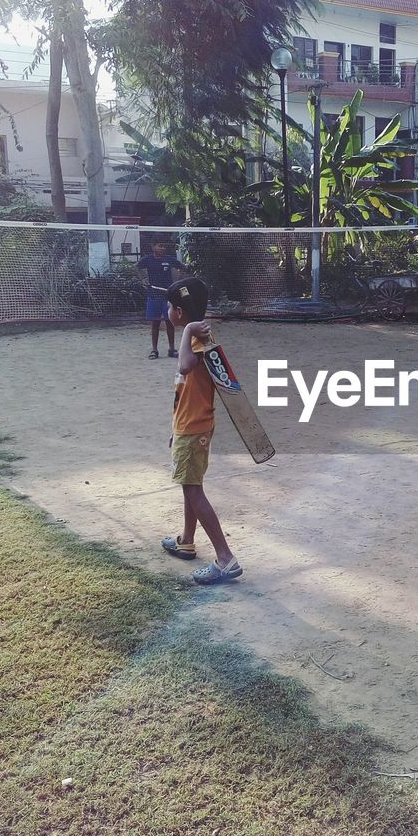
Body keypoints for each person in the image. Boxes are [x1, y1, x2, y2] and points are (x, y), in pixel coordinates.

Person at [160, 276, 242, 586]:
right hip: (189, 426)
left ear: (179, 312)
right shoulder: (197, 338)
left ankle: (225, 558)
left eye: (170, 306)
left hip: (194, 429)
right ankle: (186, 540)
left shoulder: (197, 341)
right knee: (189, 485)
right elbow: (185, 391)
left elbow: (184, 367)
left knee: (193, 489)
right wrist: (175, 429)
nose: (168, 310)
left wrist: (187, 332)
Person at [137, 241, 184, 359]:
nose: (163, 248)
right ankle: (154, 350)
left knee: (170, 322)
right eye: (160, 246)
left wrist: (177, 281)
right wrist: (143, 279)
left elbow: (182, 267)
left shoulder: (169, 259)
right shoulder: (147, 260)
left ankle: (172, 349)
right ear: (153, 246)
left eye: (164, 246)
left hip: (168, 296)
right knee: (155, 323)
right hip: (154, 295)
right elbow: (136, 267)